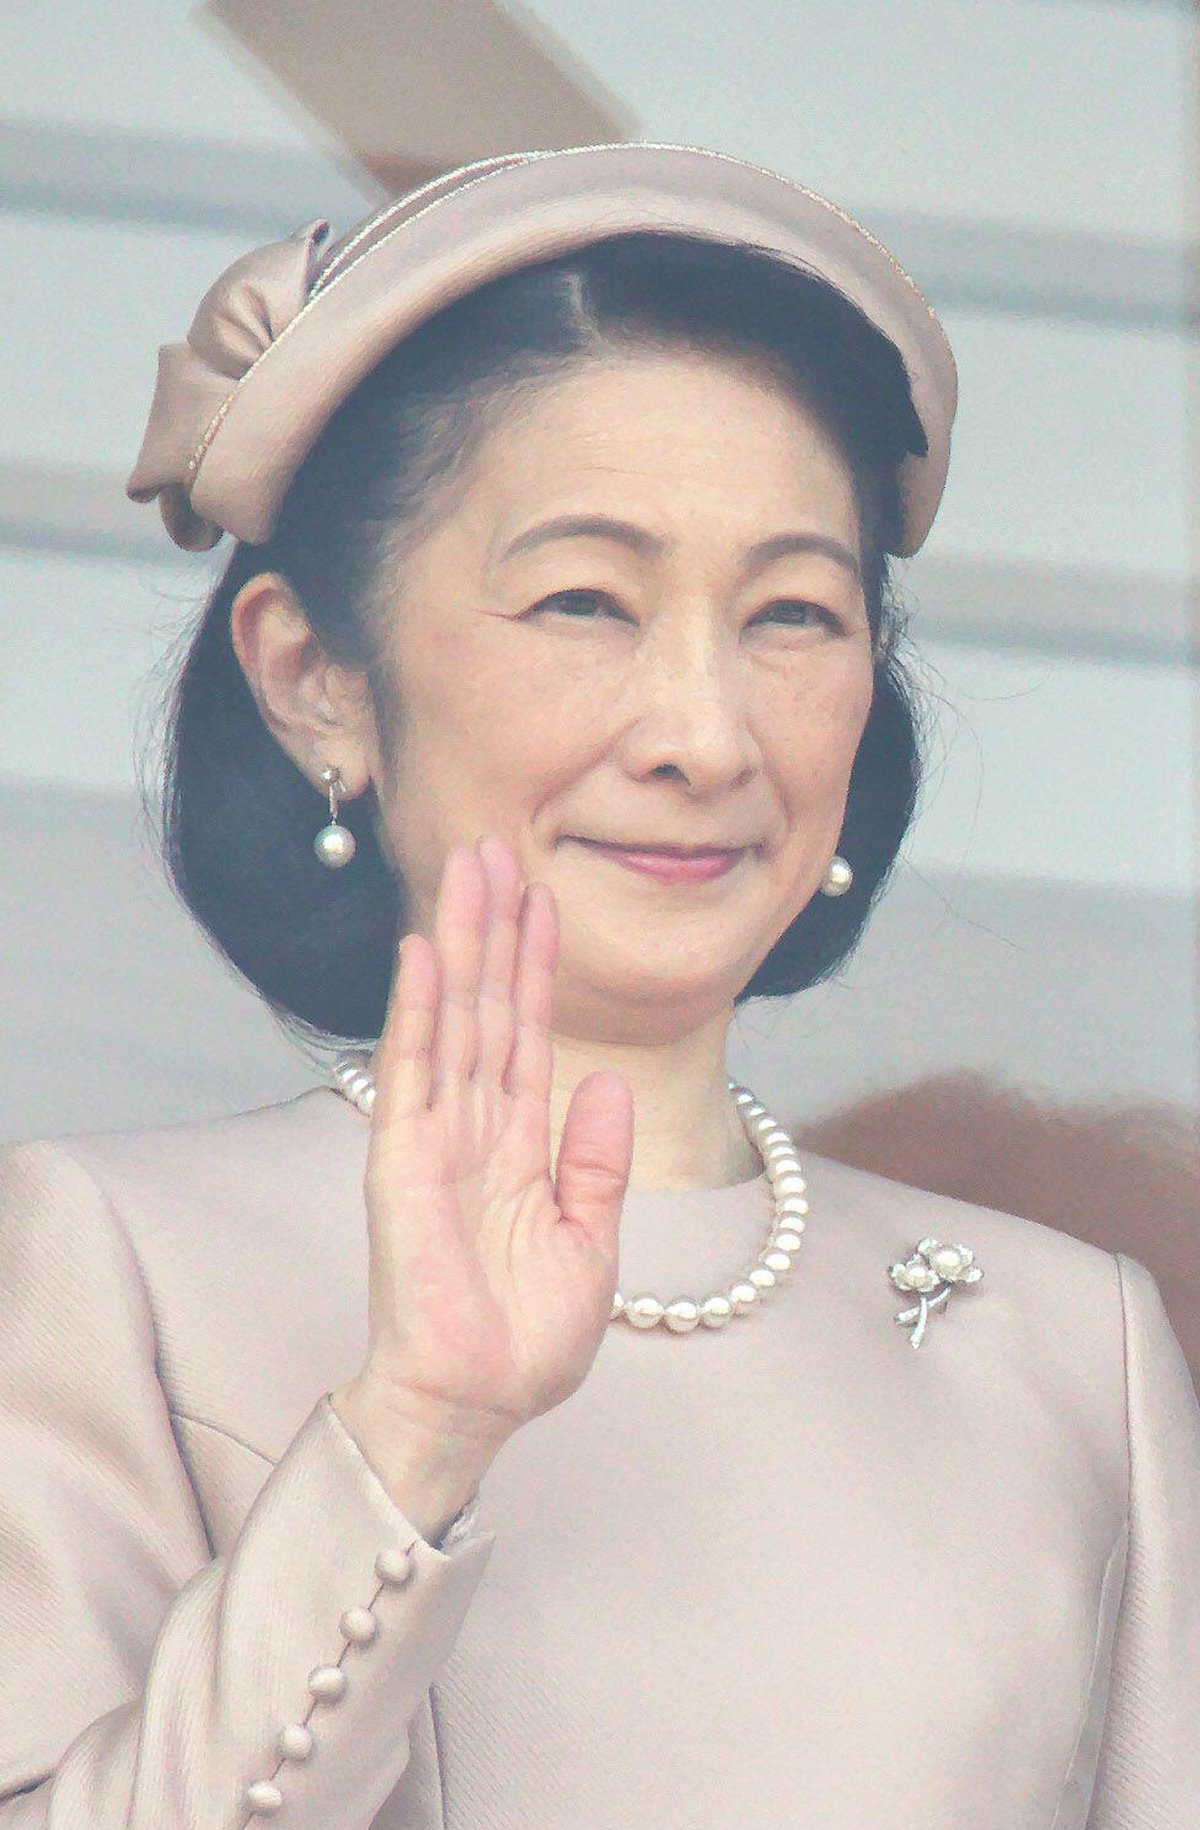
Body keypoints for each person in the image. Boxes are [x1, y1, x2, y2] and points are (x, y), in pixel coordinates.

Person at [1, 143, 1196, 1829]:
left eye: (794, 614)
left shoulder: (1080, 1347)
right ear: (310, 678)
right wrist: (414, 1429)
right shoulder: (113, 1264)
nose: (705, 737)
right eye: (584, 600)